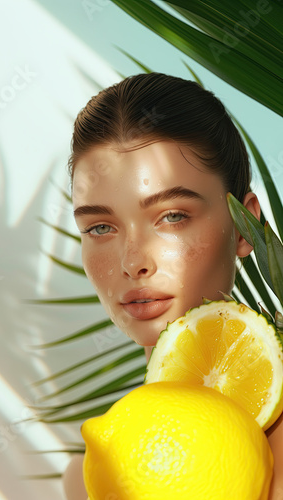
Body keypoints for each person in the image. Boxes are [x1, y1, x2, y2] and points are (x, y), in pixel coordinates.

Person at [62, 72, 283, 500]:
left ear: (244, 225)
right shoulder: (91, 475)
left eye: (172, 216)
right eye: (101, 227)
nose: (133, 263)